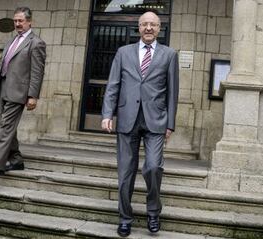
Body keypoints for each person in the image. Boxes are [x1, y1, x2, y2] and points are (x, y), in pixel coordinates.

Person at [101, 11, 179, 237]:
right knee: (125, 172)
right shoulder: (123, 53)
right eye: (144, 24)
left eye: (152, 25)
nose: (148, 28)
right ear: (138, 27)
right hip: (127, 120)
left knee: (153, 167)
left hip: (156, 121)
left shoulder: (169, 55)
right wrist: (108, 114)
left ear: (159, 28)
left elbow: (173, 93)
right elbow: (113, 85)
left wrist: (170, 124)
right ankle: (125, 218)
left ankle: (153, 212)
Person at [0, 7, 46, 177]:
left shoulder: (36, 43)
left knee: (4, 128)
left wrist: (33, 96)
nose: (17, 24)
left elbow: (37, 72)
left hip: (18, 92)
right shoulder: (10, 41)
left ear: (30, 21)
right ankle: (16, 160)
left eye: (21, 21)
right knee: (8, 127)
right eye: (15, 21)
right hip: (2, 89)